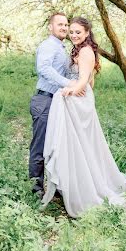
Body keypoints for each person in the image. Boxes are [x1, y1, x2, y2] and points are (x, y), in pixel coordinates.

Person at [42, 16, 126, 217]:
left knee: (82, 143)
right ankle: (79, 181)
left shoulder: (85, 51)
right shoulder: (78, 49)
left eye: (78, 32)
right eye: (71, 31)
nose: (74, 35)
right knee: (80, 144)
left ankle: (88, 186)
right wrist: (75, 87)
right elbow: (89, 82)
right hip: (79, 99)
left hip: (78, 99)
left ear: (86, 33)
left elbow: (84, 81)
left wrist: (69, 90)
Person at [29, 12, 81, 198]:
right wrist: (68, 84)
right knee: (41, 143)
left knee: (57, 144)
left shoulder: (62, 47)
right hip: (44, 100)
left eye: (66, 25)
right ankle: (36, 185)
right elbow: (43, 69)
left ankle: (55, 185)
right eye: (60, 24)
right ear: (50, 27)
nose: (64, 28)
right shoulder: (48, 46)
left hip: (58, 101)